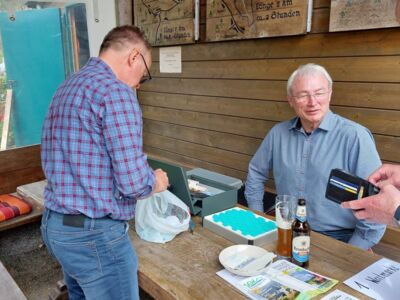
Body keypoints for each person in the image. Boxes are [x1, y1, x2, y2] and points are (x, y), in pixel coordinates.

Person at [40, 25, 169, 300]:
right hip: (93, 237)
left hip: (57, 228)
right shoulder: (116, 92)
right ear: (134, 57)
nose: (137, 84)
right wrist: (155, 182)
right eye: (143, 77)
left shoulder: (68, 86)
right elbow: (133, 183)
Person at [245, 63, 386, 250]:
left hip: (340, 239)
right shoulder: (278, 134)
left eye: (319, 93)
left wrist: (351, 251)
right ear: (291, 100)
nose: (312, 102)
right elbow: (255, 172)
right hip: (287, 230)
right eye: (303, 95)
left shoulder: (355, 137)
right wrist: (258, 219)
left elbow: (377, 202)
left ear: (330, 93)